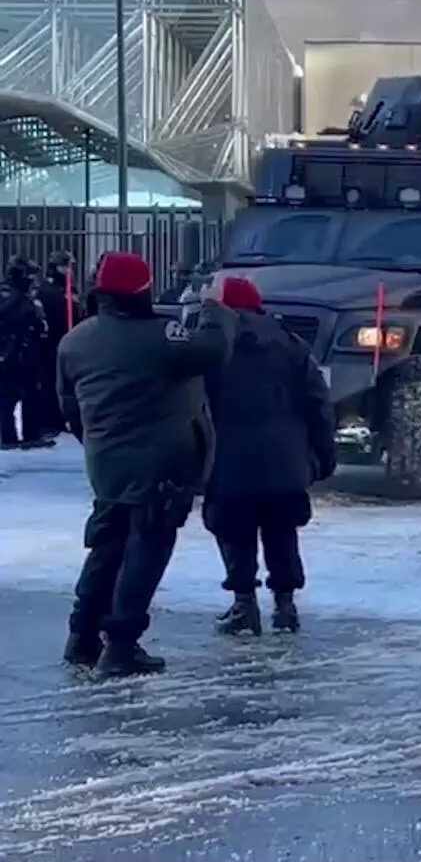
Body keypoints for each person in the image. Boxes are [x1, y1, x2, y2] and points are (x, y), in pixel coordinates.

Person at [59, 251, 234, 677]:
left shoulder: (76, 340)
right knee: (147, 549)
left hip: (106, 463)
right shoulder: (159, 337)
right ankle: (121, 644)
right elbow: (214, 349)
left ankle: (81, 636)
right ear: (143, 289)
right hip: (160, 464)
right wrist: (215, 306)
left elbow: (68, 406)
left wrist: (100, 443)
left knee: (106, 545)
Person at [201, 275, 336, 637]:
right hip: (285, 459)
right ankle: (285, 605)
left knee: (234, 531)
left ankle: (244, 603)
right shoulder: (292, 344)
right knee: (282, 531)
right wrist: (322, 452)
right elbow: (318, 403)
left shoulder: (212, 345)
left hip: (228, 458)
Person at [25, 251, 84, 441]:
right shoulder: (49, 291)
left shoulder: (66, 290)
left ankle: (58, 419)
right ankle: (49, 421)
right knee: (50, 384)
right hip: (52, 345)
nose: (70, 270)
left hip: (65, 342)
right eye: (66, 266)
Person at [0, 256, 50, 449]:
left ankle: (30, 433)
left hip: (24, 350)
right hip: (12, 351)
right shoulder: (9, 294)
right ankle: (9, 436)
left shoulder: (22, 295)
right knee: (8, 396)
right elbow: (14, 317)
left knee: (30, 393)